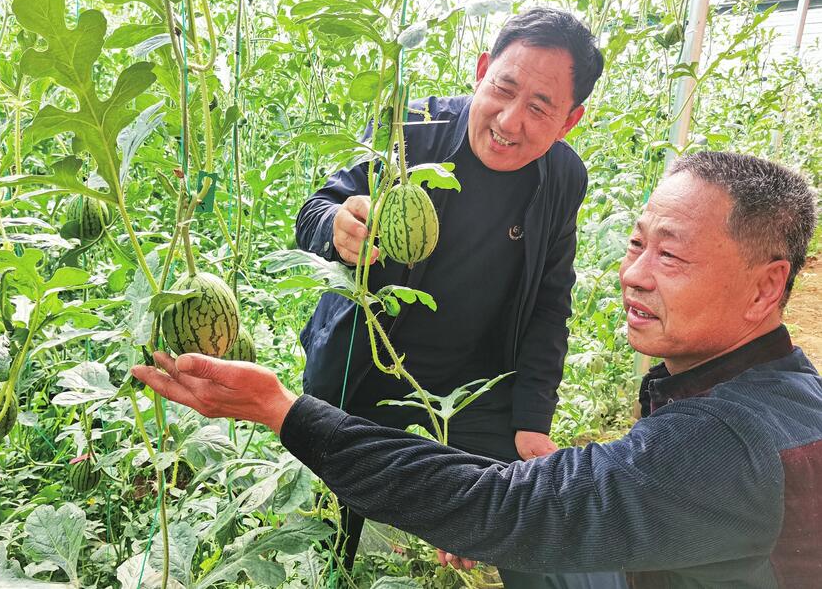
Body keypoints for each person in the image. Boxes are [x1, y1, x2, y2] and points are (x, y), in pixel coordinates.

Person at [134, 151, 821, 587]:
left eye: (669, 257)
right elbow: (561, 504)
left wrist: (280, 409)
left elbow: (505, 505)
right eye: (637, 244)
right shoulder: (781, 391)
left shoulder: (725, 446)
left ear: (766, 288)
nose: (632, 275)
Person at [294, 7, 603, 584]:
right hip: (367, 372)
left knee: (528, 532)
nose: (510, 121)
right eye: (503, 89)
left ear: (570, 121)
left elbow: (549, 302)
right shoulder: (409, 129)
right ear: (482, 70)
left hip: (476, 391)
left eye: (540, 108)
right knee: (340, 541)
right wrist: (336, 224)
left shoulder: (564, 177)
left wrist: (533, 418)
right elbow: (316, 209)